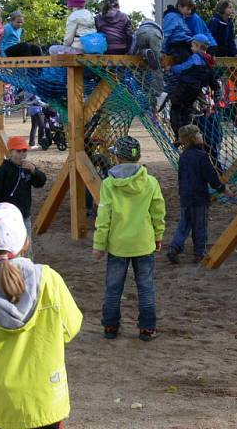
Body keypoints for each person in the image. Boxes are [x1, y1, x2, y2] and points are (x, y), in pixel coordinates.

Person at [0, 202, 82, 429]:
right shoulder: (49, 280)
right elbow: (71, 328)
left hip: (2, 404)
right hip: (46, 398)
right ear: (25, 242)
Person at [92, 136, 166, 341]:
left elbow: (104, 215)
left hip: (118, 245)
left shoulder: (108, 184)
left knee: (114, 288)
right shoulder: (150, 182)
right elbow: (158, 212)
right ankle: (147, 328)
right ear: (139, 156)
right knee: (146, 287)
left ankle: (110, 326)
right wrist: (158, 235)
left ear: (116, 158)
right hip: (143, 243)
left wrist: (99, 244)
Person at [167, 125, 233, 265]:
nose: (201, 136)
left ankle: (174, 247)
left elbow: (181, 177)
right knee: (200, 225)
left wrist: (181, 192)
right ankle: (199, 253)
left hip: (186, 195)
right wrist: (222, 188)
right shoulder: (202, 156)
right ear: (194, 138)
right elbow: (211, 176)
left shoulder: (183, 156)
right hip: (199, 197)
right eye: (199, 134)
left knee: (184, 224)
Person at [0, 135, 48, 243]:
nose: (22, 154)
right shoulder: (3, 170)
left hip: (24, 215)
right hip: (7, 218)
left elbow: (41, 182)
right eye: (18, 151)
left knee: (26, 246)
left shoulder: (28, 168)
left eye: (24, 150)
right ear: (11, 152)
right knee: (9, 245)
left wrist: (34, 171)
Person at [168, 33, 219, 142]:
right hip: (195, 91)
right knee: (186, 110)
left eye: (192, 46)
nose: (191, 48)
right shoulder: (209, 61)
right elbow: (212, 78)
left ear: (196, 45)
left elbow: (184, 68)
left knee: (175, 109)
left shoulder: (196, 58)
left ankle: (179, 135)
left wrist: (172, 68)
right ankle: (188, 136)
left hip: (185, 87)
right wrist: (216, 87)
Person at [133, 19, 168, 108]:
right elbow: (163, 45)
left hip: (141, 33)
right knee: (156, 65)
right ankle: (159, 94)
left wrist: (132, 55)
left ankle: (145, 52)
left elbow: (134, 44)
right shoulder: (158, 27)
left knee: (140, 52)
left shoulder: (142, 26)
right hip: (156, 34)